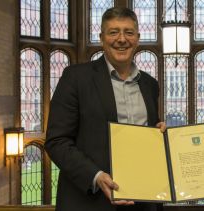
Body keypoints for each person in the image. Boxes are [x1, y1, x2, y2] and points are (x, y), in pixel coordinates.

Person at [45, 7, 165, 211]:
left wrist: (159, 134)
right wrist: (96, 176)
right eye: (113, 32)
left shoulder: (150, 85)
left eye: (128, 32)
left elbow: (146, 140)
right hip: (90, 202)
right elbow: (57, 141)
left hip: (143, 202)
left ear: (137, 38)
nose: (121, 39)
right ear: (102, 38)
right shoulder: (75, 78)